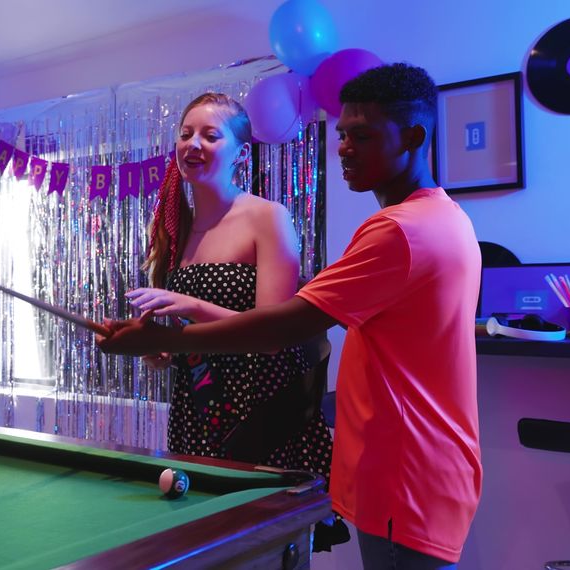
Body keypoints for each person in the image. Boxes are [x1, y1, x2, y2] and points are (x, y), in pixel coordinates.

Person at [97, 64, 481, 569]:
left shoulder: (400, 232)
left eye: (360, 136)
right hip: (415, 463)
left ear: (413, 136)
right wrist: (166, 346)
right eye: (342, 134)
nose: (342, 147)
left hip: (402, 467)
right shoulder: (444, 217)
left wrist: (166, 333)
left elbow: (284, 324)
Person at [129, 92, 334, 477]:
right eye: (186, 133)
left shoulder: (268, 217)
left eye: (210, 135)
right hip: (197, 407)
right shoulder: (177, 229)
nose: (193, 143)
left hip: (260, 411)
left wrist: (189, 307)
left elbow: (274, 335)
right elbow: (194, 336)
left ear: (241, 153)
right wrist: (162, 349)